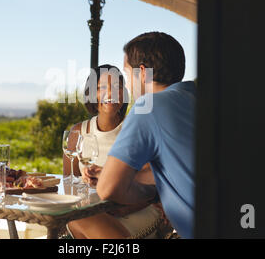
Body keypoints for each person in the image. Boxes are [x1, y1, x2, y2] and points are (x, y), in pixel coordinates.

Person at [91, 32, 196, 239]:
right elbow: (180, 167)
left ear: (142, 73)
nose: (128, 84)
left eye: (128, 74)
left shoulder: (148, 107)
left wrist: (150, 193)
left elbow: (107, 189)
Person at [63, 64, 163, 239]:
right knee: (77, 219)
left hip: (135, 211)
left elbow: (152, 186)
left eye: (117, 87)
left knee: (80, 220)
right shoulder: (77, 133)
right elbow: (68, 184)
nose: (110, 94)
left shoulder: (137, 129)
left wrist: (121, 208)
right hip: (92, 212)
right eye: (102, 88)